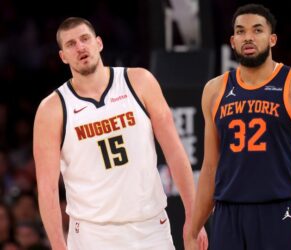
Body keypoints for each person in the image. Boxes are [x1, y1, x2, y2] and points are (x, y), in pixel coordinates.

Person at [33, 17, 208, 250]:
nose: (80, 47)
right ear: (63, 56)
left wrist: (193, 218)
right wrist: (57, 244)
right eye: (71, 44)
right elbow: (47, 188)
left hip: (150, 227)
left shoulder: (139, 81)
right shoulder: (52, 109)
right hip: (92, 235)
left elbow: (175, 151)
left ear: (99, 43)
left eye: (85, 39)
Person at [185, 3, 291, 250]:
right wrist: (193, 228)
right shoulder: (214, 90)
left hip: (282, 211)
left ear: (272, 38)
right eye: (241, 32)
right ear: (233, 41)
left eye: (257, 30)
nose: (248, 37)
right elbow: (211, 167)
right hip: (228, 213)